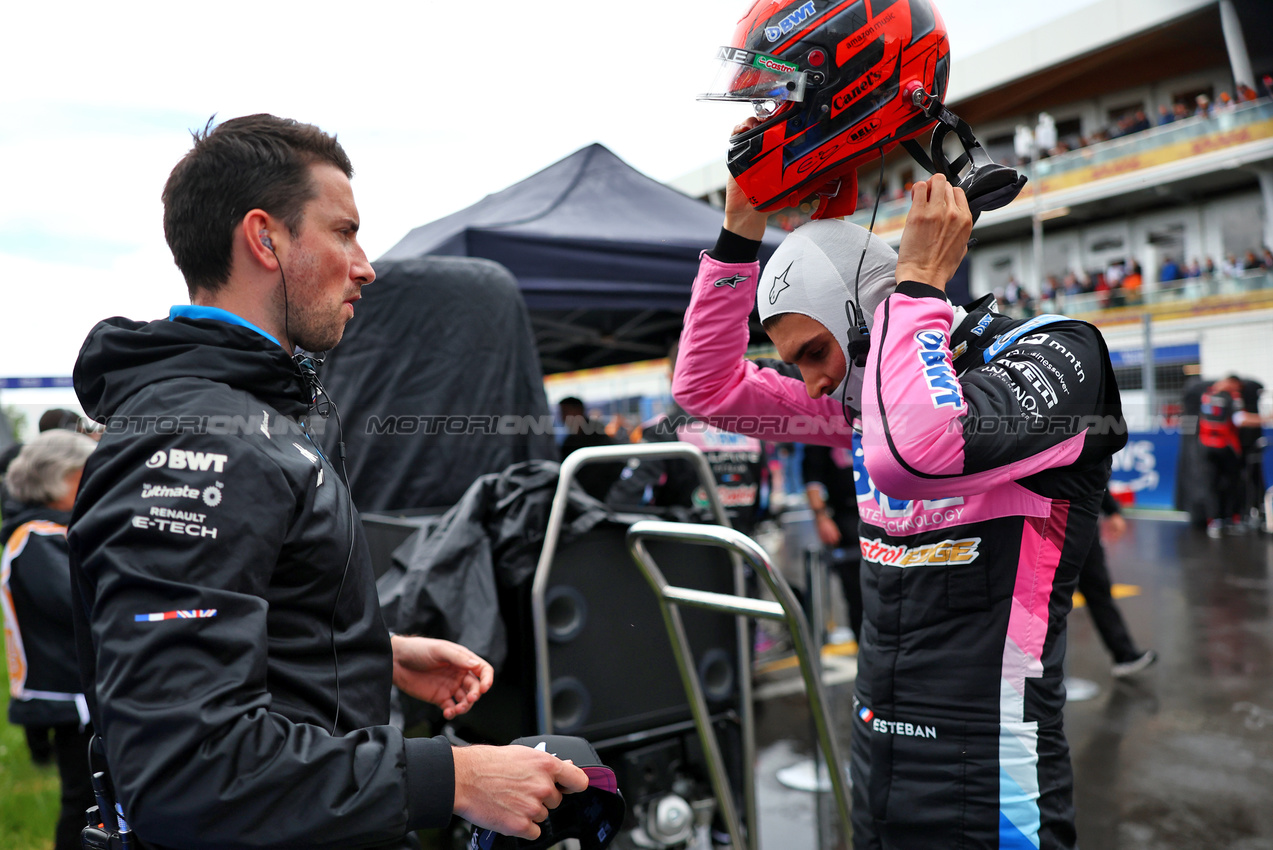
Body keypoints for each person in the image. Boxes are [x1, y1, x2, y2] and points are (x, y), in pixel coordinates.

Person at [66, 114, 587, 850]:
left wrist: (373, 649)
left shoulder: (260, 413)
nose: (365, 264)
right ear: (265, 238)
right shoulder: (199, 437)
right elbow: (185, 773)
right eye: (343, 231)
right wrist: (455, 778)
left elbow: (243, 619)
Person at [2, 430, 98, 850]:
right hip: (68, 695)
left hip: (77, 691)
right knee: (83, 803)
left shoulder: (50, 531)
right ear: (59, 480)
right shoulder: (36, 537)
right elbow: (79, 604)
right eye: (85, 474)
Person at [1074, 490, 1156, 678]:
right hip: (1046, 518)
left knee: (1098, 588)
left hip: (1081, 518)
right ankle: (1036, 672)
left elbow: (1093, 467)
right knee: (1048, 599)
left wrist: (1112, 509)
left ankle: (1124, 654)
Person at [801, 443, 862, 642]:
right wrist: (821, 517)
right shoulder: (824, 425)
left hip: (882, 511)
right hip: (845, 516)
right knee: (856, 594)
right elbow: (812, 477)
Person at [1198, 376, 1262, 536]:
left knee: (1213, 484)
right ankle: (1228, 518)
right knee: (1229, 483)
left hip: (1206, 446)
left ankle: (1216, 520)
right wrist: (1266, 418)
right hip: (1225, 448)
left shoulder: (1207, 394)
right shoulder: (1232, 397)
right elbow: (1240, 419)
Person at [557, 396, 620, 500]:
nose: (562, 417)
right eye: (562, 413)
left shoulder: (598, 437)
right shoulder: (569, 441)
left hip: (600, 496)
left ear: (579, 411)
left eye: (565, 412)